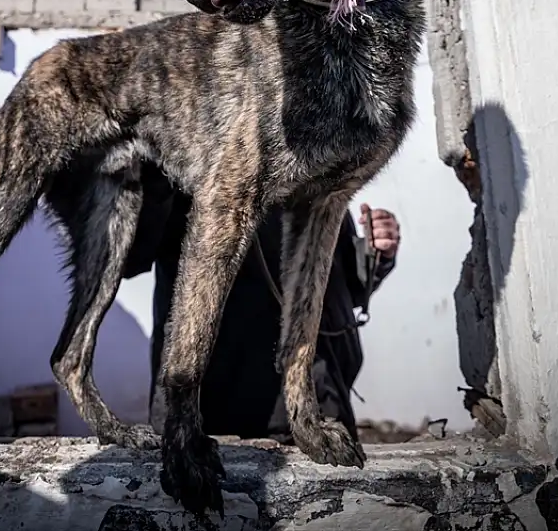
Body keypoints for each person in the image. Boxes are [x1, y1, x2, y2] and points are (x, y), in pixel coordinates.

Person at [121, 169, 402, 442]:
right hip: (220, 420)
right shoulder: (188, 167)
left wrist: (374, 252)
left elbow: (339, 289)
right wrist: (152, 174)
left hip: (322, 403)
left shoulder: (318, 163)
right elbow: (129, 254)